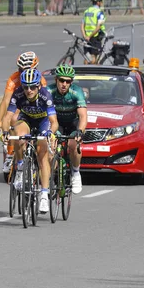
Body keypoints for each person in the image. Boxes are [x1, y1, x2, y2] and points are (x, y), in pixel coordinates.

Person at [1, 68, 59, 214]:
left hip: (43, 122)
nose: (29, 90)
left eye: (32, 86)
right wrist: (5, 132)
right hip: (26, 120)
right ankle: (20, 167)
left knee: (42, 154)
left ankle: (44, 195)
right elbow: (8, 117)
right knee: (18, 135)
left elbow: (54, 122)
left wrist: (49, 133)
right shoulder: (18, 94)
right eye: (25, 86)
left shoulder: (46, 96)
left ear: (39, 86)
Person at [0, 51, 48, 175]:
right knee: (12, 119)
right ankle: (10, 152)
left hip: (34, 108)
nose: (22, 73)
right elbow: (6, 101)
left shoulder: (40, 80)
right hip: (19, 103)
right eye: (20, 69)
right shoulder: (14, 78)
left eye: (25, 70)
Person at [46, 64, 87, 194]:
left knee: (73, 144)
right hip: (57, 123)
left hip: (73, 123)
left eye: (68, 81)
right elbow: (44, 114)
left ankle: (75, 172)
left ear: (71, 82)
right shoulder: (49, 91)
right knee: (51, 145)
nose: (64, 84)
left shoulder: (77, 92)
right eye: (61, 80)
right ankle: (52, 175)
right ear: (56, 80)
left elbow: (83, 116)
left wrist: (80, 131)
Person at [81, 0, 106, 64]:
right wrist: (89, 36)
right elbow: (98, 27)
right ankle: (94, 73)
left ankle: (84, 73)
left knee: (87, 58)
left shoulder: (87, 11)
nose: (101, 3)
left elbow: (82, 26)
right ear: (98, 2)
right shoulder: (99, 12)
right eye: (101, 1)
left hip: (86, 37)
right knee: (95, 59)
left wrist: (85, 36)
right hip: (95, 37)